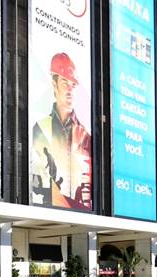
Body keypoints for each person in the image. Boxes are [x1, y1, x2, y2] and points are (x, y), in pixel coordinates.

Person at [30, 52, 92, 210]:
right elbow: (44, 183)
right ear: (54, 84)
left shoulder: (85, 136)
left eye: (73, 85)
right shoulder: (41, 129)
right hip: (51, 211)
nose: (70, 90)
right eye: (65, 83)